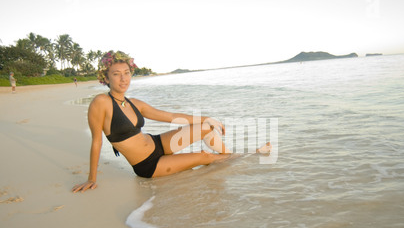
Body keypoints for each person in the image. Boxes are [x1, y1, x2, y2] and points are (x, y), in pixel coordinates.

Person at [72, 50, 270, 193]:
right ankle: (249, 155)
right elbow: (96, 141)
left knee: (206, 128)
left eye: (126, 73)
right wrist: (92, 178)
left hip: (157, 143)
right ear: (105, 78)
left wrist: (207, 118)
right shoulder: (101, 103)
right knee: (204, 156)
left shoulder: (135, 103)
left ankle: (230, 158)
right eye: (116, 74)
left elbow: (170, 117)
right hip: (148, 164)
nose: (123, 79)